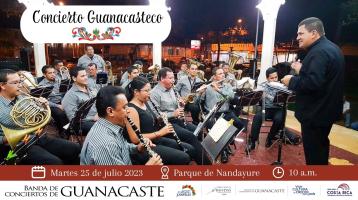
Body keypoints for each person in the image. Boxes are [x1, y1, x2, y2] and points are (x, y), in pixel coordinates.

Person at [281, 17, 345, 165]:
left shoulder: (318, 52)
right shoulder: (333, 48)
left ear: (314, 33)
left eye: (301, 33)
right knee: (321, 150)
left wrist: (291, 80)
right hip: (326, 112)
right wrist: (302, 69)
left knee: (314, 158)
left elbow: (312, 83)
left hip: (315, 114)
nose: (297, 37)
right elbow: (325, 79)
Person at [0, 69, 80, 164]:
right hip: (17, 146)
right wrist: (6, 139)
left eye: (20, 81)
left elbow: (45, 121)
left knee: (75, 149)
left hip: (37, 137)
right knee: (54, 162)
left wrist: (43, 108)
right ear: (2, 85)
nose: (20, 85)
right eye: (15, 82)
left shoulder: (24, 97)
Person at [80, 86, 162, 165]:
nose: (128, 110)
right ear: (110, 111)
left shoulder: (105, 124)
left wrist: (137, 148)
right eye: (124, 107)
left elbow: (121, 147)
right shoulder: (107, 145)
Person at [126, 77, 194, 165]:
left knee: (190, 149)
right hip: (145, 146)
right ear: (136, 92)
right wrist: (160, 133)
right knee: (184, 157)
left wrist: (161, 118)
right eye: (146, 91)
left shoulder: (145, 102)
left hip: (156, 140)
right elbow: (135, 139)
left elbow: (149, 122)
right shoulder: (131, 109)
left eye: (149, 90)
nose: (149, 93)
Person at [150, 67, 211, 165]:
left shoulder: (172, 89)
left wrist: (182, 104)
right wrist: (172, 114)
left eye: (173, 78)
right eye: (170, 78)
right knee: (191, 136)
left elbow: (178, 105)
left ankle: (194, 155)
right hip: (166, 125)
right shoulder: (154, 93)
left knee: (198, 131)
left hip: (178, 120)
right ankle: (206, 165)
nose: (173, 80)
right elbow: (155, 116)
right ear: (162, 79)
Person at [202, 67, 244, 163]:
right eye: (220, 74)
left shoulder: (227, 86)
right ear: (214, 76)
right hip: (213, 114)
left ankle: (228, 142)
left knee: (240, 124)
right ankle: (224, 151)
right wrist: (200, 93)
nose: (223, 75)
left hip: (226, 112)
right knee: (220, 131)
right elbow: (199, 101)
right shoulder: (208, 87)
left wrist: (218, 90)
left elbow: (231, 96)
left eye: (223, 73)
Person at [249, 67, 285, 150]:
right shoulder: (264, 86)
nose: (274, 79)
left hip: (278, 109)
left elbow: (283, 101)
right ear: (267, 78)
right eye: (271, 78)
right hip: (267, 109)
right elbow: (258, 98)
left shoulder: (282, 86)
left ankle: (270, 137)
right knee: (257, 117)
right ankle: (253, 140)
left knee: (279, 119)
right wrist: (258, 95)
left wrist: (269, 96)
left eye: (276, 77)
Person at [62, 67, 98, 135]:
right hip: (81, 124)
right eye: (82, 76)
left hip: (97, 117)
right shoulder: (70, 95)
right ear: (74, 78)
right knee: (103, 128)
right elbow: (72, 118)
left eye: (86, 75)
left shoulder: (91, 89)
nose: (86, 77)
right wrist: (93, 118)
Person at [38, 65, 69, 135]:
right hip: (51, 105)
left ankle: (71, 128)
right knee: (61, 114)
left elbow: (64, 93)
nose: (53, 74)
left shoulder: (59, 80)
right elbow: (44, 101)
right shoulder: (41, 85)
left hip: (62, 101)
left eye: (54, 72)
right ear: (44, 75)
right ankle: (64, 132)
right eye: (50, 73)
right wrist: (58, 106)